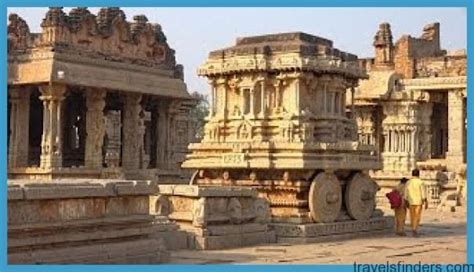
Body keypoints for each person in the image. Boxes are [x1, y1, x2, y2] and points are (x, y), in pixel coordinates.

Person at [404, 169, 428, 237]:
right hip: (418, 201)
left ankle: (413, 228)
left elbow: (406, 192)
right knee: (417, 216)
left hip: (411, 201)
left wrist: (405, 200)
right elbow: (423, 193)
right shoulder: (420, 182)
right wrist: (425, 201)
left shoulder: (408, 182)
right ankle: (414, 229)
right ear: (418, 174)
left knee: (412, 216)